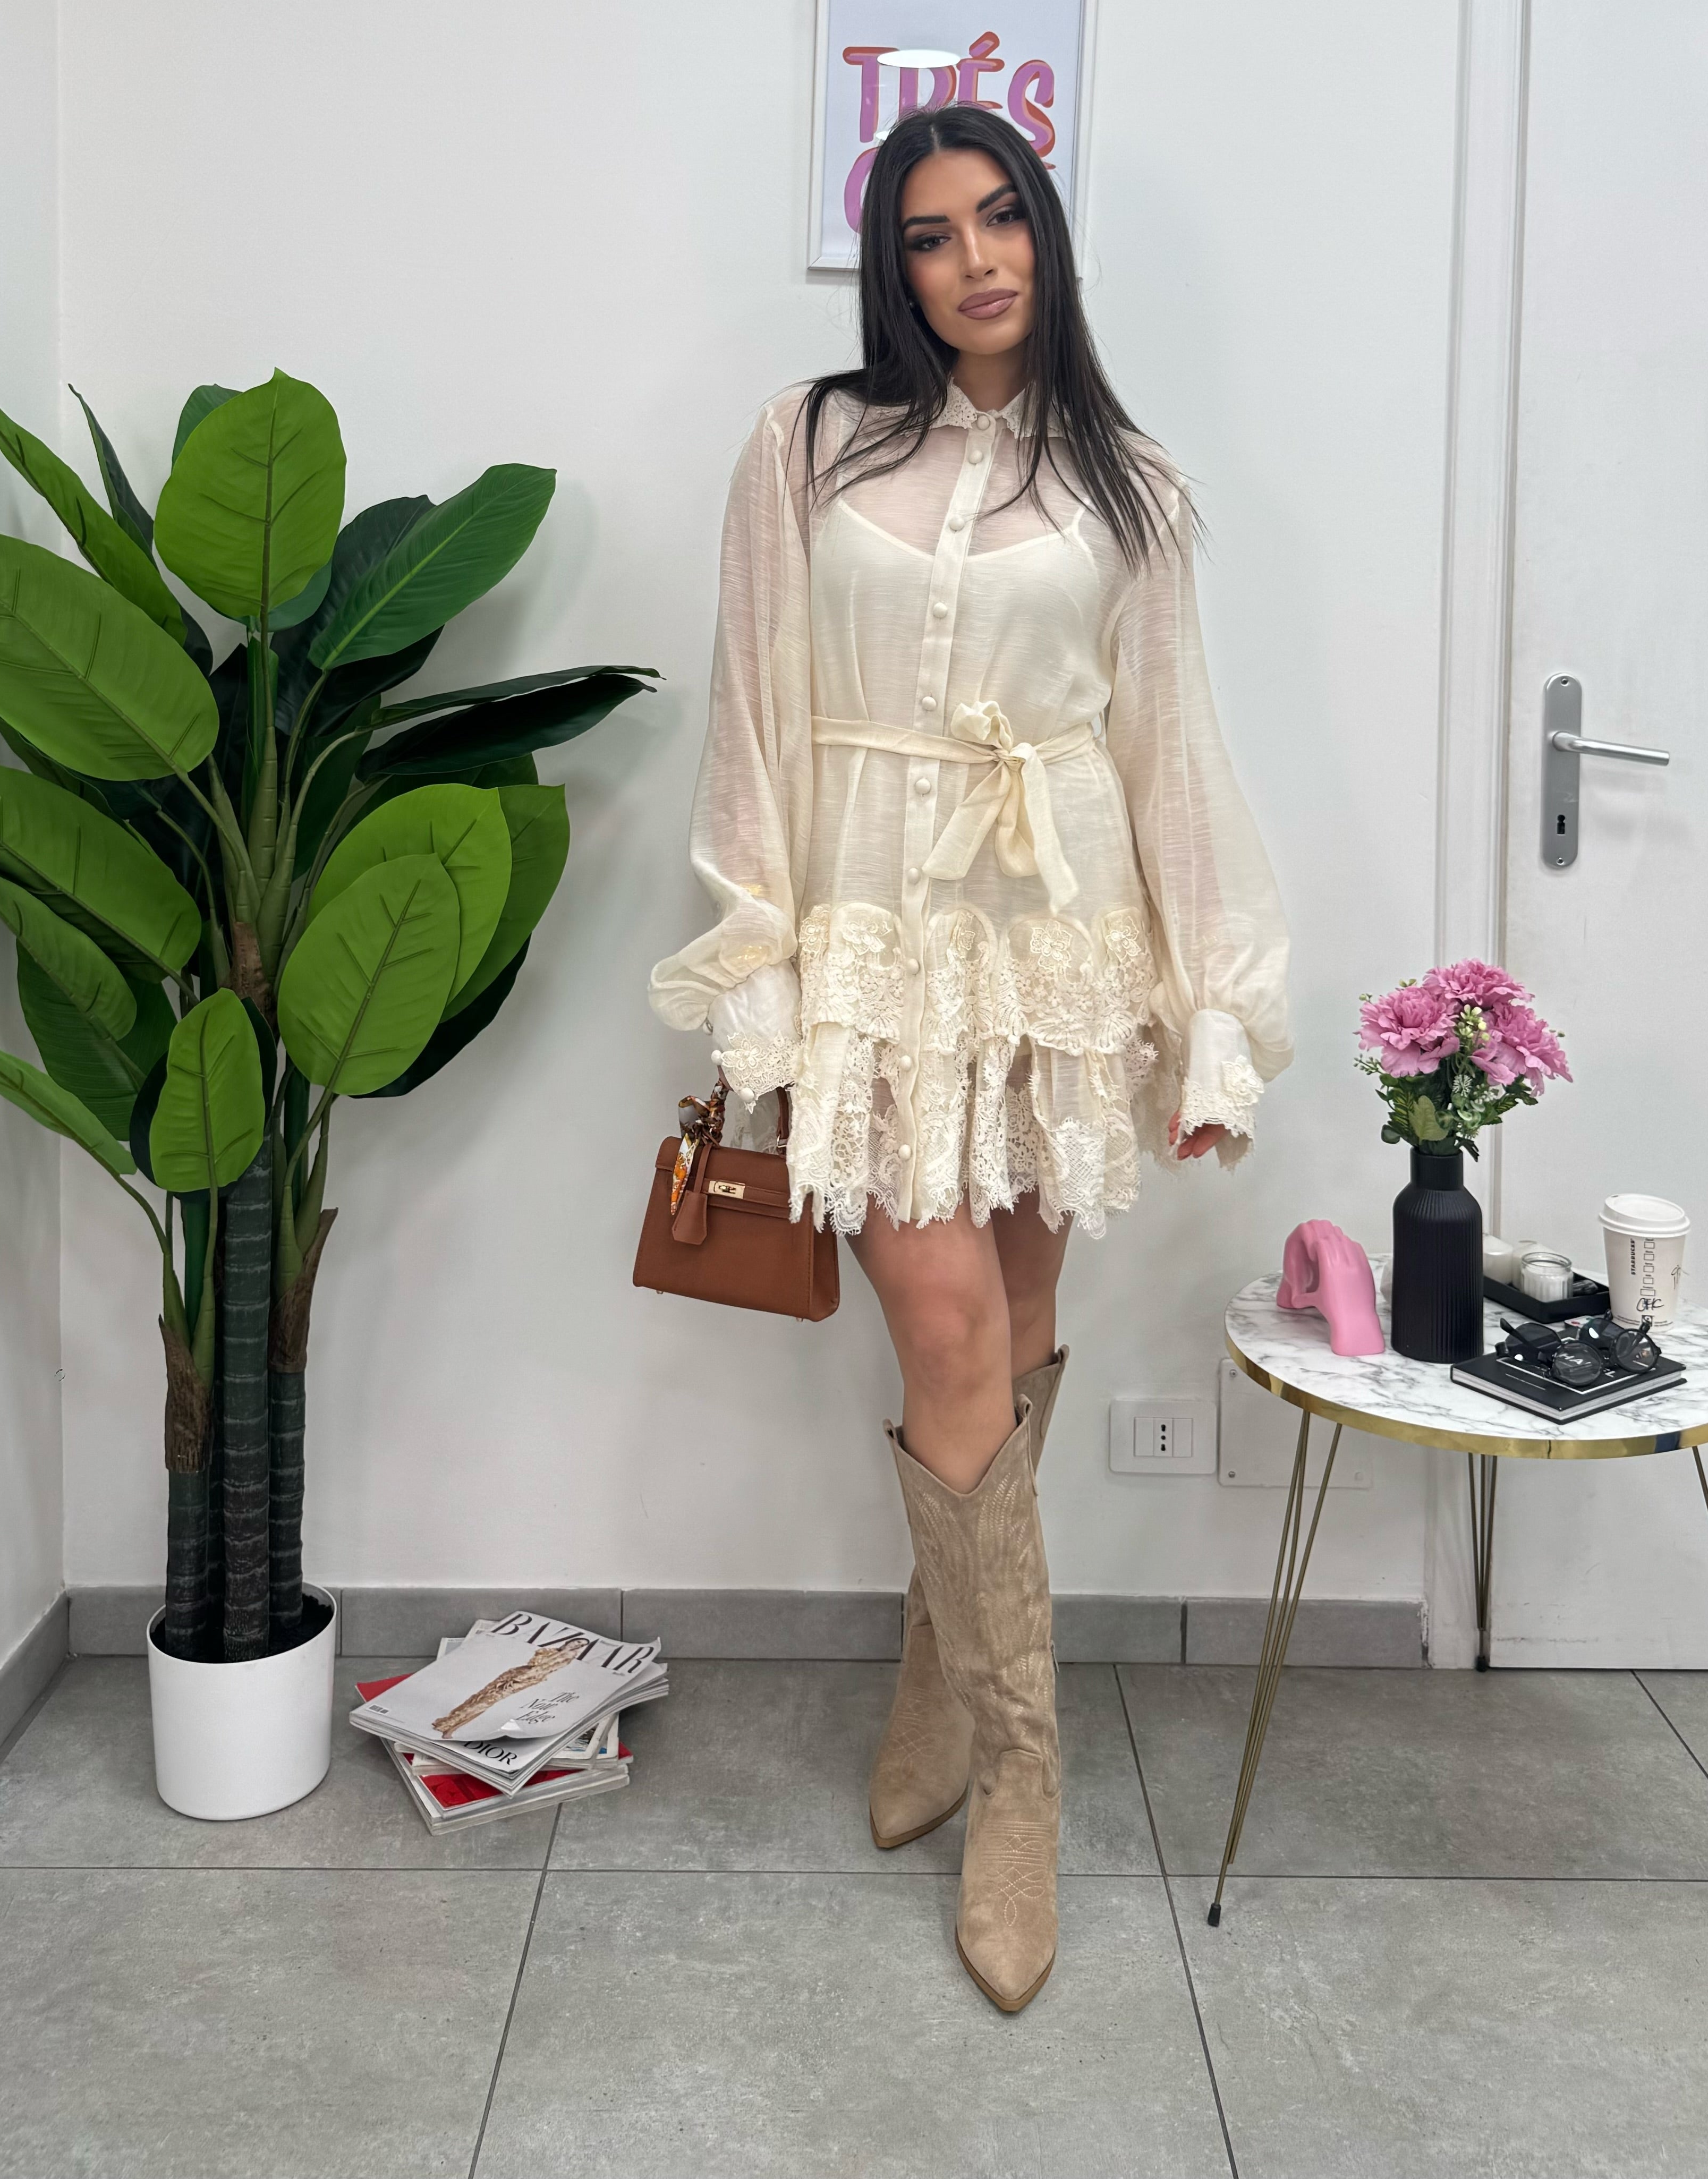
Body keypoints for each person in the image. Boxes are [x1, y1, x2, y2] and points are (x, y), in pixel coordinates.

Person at [650, 104, 1290, 2013]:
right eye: (929, 235)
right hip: (869, 933)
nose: (974, 260)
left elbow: (1172, 749)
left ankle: (940, 1685)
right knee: (942, 1330)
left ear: (1045, 235)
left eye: (1000, 218)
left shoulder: (1131, 487)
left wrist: (1210, 1013)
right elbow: (750, 717)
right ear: (893, 268)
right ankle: (1025, 1781)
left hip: (1055, 944)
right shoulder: (804, 443)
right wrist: (759, 961)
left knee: (1003, 1334)